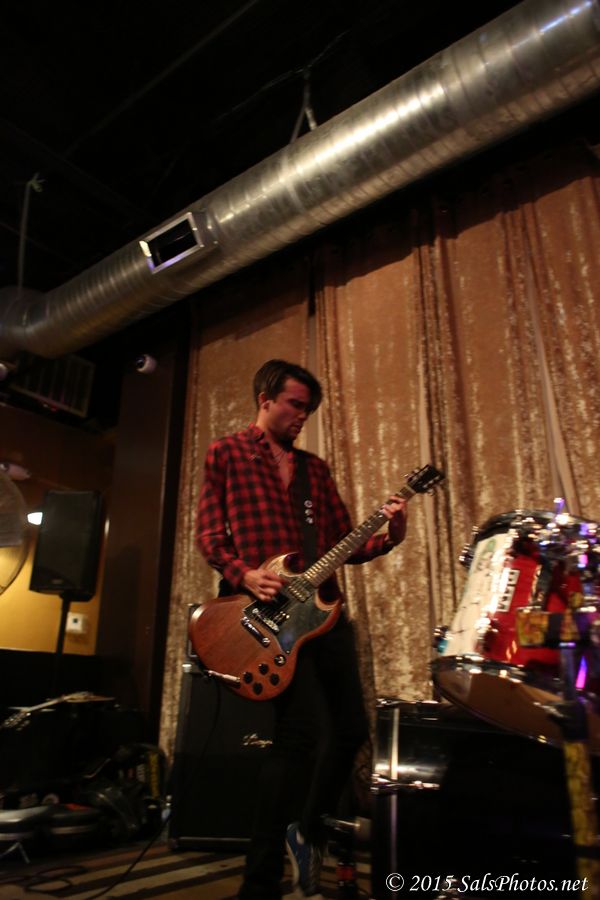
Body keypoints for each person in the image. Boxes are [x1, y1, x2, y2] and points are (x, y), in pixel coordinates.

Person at [196, 359, 407, 900]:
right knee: (298, 735)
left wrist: (390, 532)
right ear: (265, 398)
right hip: (268, 617)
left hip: (324, 612)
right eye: (294, 404)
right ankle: (259, 882)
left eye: (307, 409)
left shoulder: (315, 469)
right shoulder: (226, 453)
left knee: (352, 728)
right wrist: (246, 574)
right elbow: (209, 536)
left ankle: (307, 831)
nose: (301, 416)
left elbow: (345, 541)